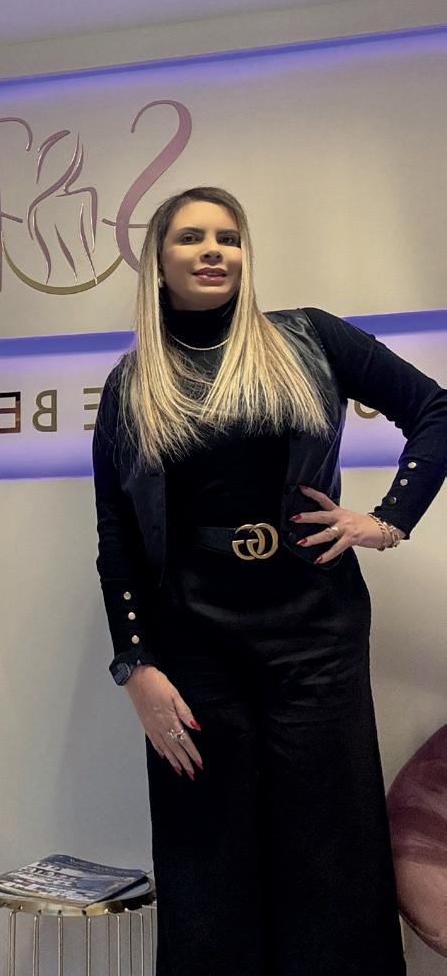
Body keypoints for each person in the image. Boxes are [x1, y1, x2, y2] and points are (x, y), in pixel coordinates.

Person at [92, 187, 446, 976]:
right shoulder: (132, 383)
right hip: (193, 640)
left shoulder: (308, 338)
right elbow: (117, 537)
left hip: (314, 625)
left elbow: (436, 410)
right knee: (208, 856)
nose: (213, 250)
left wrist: (387, 519)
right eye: (191, 237)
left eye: (229, 237)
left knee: (331, 849)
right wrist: (135, 664)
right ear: (158, 261)